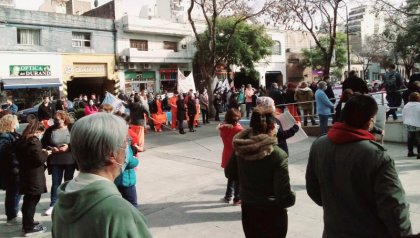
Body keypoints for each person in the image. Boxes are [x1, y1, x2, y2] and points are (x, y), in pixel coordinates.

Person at [306, 94, 412, 237]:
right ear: (369, 122)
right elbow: (393, 207)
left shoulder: (319, 144)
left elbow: (313, 190)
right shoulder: (376, 156)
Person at [51, 113, 152, 238]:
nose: (127, 150)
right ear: (112, 155)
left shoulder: (61, 203)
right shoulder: (120, 212)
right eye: (126, 142)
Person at [225, 105, 295, 238]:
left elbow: (229, 173)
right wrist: (293, 196)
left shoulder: (241, 148)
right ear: (273, 127)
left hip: (248, 209)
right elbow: (284, 197)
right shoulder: (278, 155)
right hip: (272, 212)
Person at [15, 121, 49, 236]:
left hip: (25, 174)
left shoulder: (21, 141)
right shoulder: (34, 142)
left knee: (28, 200)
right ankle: (28, 227)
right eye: (41, 132)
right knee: (32, 200)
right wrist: (46, 153)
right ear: (38, 131)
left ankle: (28, 222)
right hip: (34, 176)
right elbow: (39, 159)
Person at [41, 111, 75, 216]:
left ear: (64, 119)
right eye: (55, 119)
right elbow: (44, 143)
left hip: (69, 159)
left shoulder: (71, 128)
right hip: (55, 160)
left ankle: (68, 204)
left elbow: (77, 141)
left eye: (58, 119)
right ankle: (53, 204)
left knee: (68, 182)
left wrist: (68, 146)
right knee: (56, 183)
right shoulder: (50, 130)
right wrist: (51, 148)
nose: (56, 121)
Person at [113, 113, 140, 207]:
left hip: (115, 178)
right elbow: (128, 162)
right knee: (132, 204)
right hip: (126, 179)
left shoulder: (112, 138)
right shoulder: (123, 141)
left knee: (121, 204)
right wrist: (136, 160)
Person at [218, 108, 243, 205]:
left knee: (231, 176)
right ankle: (237, 198)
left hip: (227, 154)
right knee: (237, 178)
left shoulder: (222, 127)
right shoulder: (238, 129)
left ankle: (228, 196)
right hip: (236, 155)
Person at [0, 114, 22, 225]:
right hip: (12, 169)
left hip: (16, 168)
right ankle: (11, 216)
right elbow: (4, 153)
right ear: (10, 123)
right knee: (13, 193)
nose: (17, 122)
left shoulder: (13, 135)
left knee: (16, 192)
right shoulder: (5, 136)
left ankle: (14, 211)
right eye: (15, 121)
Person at [402, 92, 420, 159]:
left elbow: (403, 115)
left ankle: (410, 152)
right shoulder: (419, 105)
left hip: (408, 124)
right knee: (419, 139)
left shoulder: (406, 106)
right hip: (417, 124)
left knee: (410, 139)